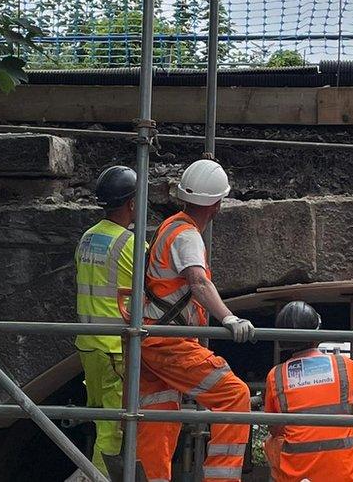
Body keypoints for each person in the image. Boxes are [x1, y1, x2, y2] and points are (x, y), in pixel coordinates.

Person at [136, 158, 256, 482]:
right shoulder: (187, 235)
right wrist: (229, 317)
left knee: (156, 419)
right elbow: (198, 282)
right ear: (216, 204)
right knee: (235, 396)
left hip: (151, 339)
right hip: (169, 343)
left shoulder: (170, 226)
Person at [263, 301, 353, 482]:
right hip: (347, 474)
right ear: (318, 332)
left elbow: (275, 428)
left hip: (299, 475)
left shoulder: (276, 376)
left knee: (270, 443)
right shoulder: (346, 365)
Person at [74, 165, 139, 476]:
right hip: (115, 349)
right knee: (112, 431)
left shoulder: (87, 238)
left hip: (88, 346)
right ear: (131, 204)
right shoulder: (131, 245)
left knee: (100, 420)